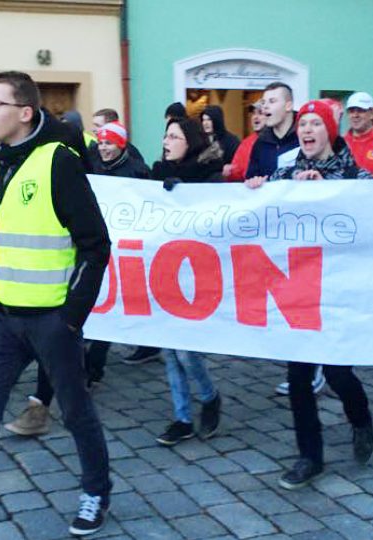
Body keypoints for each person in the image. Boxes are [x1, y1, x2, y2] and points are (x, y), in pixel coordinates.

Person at [0, 71, 112, 538]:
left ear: (25, 112)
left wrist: (72, 319)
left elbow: (95, 245)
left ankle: (96, 489)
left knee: (75, 413)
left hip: (52, 322)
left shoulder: (58, 162)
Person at [245, 100, 373, 487]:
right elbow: (264, 211)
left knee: (337, 372)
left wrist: (333, 192)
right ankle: (309, 455)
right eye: (303, 123)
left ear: (330, 131)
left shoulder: (355, 172)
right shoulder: (286, 168)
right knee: (299, 376)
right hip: (296, 288)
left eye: (316, 123)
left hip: (337, 289)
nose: (307, 130)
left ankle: (361, 419)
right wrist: (258, 189)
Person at [4, 121, 148, 438]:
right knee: (61, 342)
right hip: (75, 267)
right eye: (100, 142)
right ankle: (45, 402)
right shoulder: (82, 166)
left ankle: (77, 386)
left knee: (89, 330)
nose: (104, 147)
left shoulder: (136, 172)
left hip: (116, 261)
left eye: (110, 141)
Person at [151, 117, 222, 445]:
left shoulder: (210, 175)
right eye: (164, 134)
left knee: (185, 353)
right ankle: (181, 416)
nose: (166, 141)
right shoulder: (157, 173)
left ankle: (209, 397)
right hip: (165, 270)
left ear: (189, 141)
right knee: (169, 351)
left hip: (198, 275)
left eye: (174, 136)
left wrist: (186, 196)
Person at [246, 82, 298, 180]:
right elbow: (250, 177)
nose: (265, 106)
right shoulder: (260, 143)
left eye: (272, 101)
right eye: (263, 102)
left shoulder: (305, 137)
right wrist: (254, 181)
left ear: (288, 106)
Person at [223, 100, 264, 181]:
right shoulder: (246, 143)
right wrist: (229, 172)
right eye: (254, 113)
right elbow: (236, 172)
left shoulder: (279, 141)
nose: (255, 117)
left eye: (260, 113)